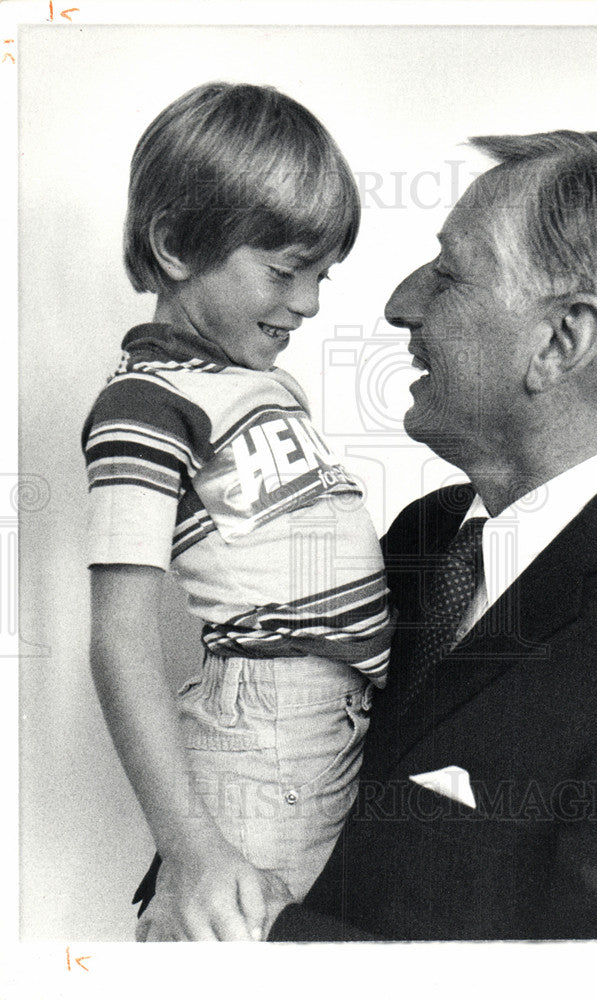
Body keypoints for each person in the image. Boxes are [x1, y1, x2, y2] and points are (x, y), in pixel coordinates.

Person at [268, 130, 597, 940]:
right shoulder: (425, 536)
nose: (400, 304)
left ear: (560, 341)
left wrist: (259, 941)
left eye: (448, 275)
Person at [82, 82, 392, 942]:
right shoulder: (145, 406)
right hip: (265, 741)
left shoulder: (255, 386)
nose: (310, 303)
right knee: (232, 950)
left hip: (335, 726)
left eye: (321, 276)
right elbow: (120, 635)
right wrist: (190, 846)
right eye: (285, 270)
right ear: (177, 244)